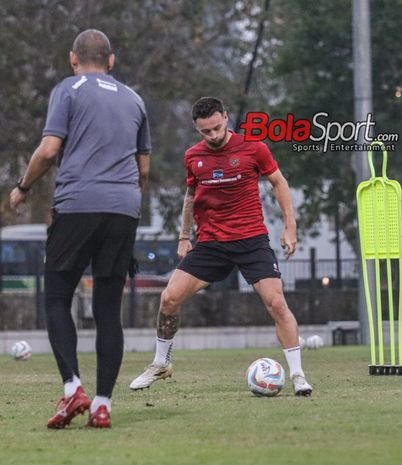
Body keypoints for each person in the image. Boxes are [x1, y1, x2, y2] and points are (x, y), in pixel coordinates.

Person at [9, 29, 151, 428]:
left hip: (77, 206)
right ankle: (103, 403)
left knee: (56, 297)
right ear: (112, 60)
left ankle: (73, 389)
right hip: (124, 209)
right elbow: (143, 170)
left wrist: (22, 188)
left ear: (74, 59)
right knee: (108, 310)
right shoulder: (135, 99)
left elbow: (50, 149)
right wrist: (123, 201)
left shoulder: (68, 89)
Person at [129, 96, 313, 396]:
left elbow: (279, 183)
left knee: (277, 303)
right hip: (212, 243)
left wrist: (290, 227)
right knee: (168, 298)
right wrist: (184, 237)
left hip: (251, 239)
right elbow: (190, 196)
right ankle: (161, 364)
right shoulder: (193, 156)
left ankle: (298, 375)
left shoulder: (254, 148)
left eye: (216, 128)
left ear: (226, 118)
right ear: (196, 128)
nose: (212, 136)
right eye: (205, 132)